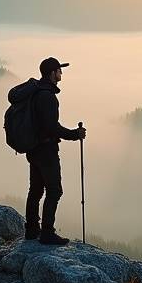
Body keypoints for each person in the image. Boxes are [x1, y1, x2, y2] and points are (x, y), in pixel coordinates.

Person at [25, 57, 86, 245]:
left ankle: (31, 230)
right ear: (52, 74)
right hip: (46, 150)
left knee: (35, 190)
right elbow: (52, 127)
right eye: (59, 71)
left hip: (33, 148)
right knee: (54, 191)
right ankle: (47, 233)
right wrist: (75, 134)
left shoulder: (36, 92)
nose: (61, 74)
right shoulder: (48, 97)